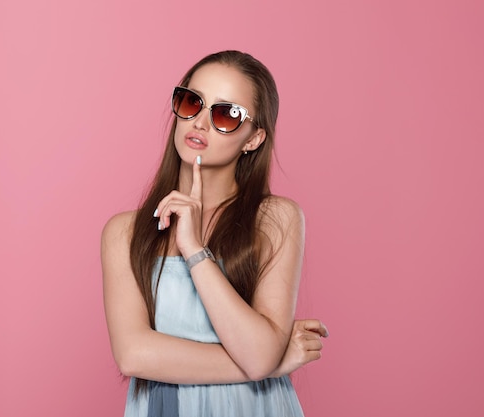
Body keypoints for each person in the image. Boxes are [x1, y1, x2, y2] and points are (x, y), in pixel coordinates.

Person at [102, 50, 329, 417]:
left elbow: (259, 357)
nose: (200, 123)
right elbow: (133, 355)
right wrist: (272, 359)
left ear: (254, 138)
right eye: (193, 102)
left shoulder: (275, 219)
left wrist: (194, 250)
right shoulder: (125, 232)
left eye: (225, 114)